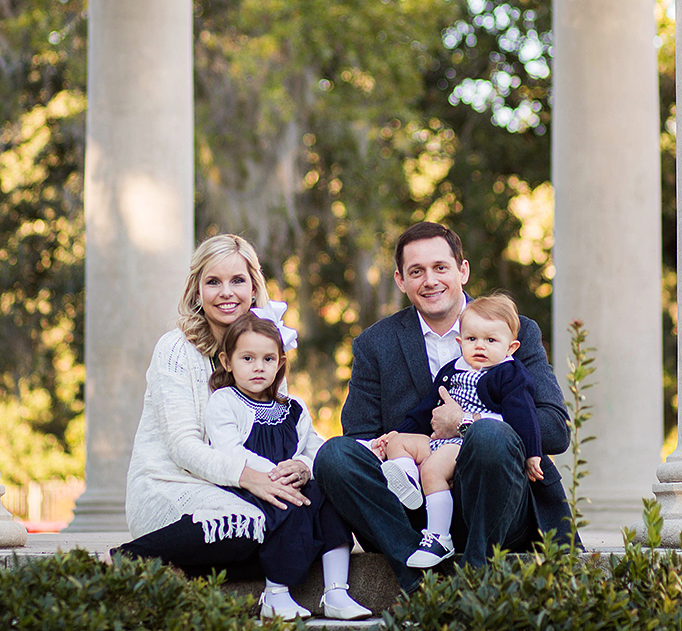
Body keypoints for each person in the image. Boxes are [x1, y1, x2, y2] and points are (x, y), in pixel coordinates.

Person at [316, 222, 574, 593]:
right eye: (416, 271)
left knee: (488, 435)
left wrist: (465, 425)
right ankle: (420, 585)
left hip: (495, 500)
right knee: (334, 456)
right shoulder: (375, 344)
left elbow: (553, 429)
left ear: (462, 271)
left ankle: (475, 578)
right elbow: (359, 435)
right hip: (412, 511)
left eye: (440, 267)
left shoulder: (514, 330)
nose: (430, 280)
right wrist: (403, 455)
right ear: (401, 280)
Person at [114, 236, 313, 585]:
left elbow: (290, 431)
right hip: (172, 485)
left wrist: (302, 466)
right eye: (213, 282)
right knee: (246, 526)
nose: (226, 292)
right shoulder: (175, 349)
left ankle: (177, 575)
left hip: (242, 489)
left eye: (237, 280)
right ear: (196, 290)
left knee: (304, 528)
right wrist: (251, 478)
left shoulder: (264, 348)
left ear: (254, 288)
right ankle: (126, 560)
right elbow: (182, 447)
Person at [204, 314, 373, 619]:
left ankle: (336, 591)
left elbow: (315, 449)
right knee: (285, 504)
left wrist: (302, 467)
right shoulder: (225, 401)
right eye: (247, 358)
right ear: (227, 362)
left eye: (268, 359)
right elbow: (228, 450)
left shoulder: (293, 407)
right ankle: (276, 592)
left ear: (280, 363)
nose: (259, 366)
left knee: (327, 496)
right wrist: (276, 475)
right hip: (250, 487)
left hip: (294, 484)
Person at [369, 293, 544, 567]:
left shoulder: (510, 374)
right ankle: (408, 479)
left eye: (491, 340)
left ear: (511, 347)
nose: (480, 346)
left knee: (433, 469)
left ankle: (439, 536)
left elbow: (525, 417)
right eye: (472, 339)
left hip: (472, 445)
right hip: (440, 441)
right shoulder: (452, 370)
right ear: (460, 342)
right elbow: (426, 411)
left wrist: (533, 454)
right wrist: (396, 434)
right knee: (399, 443)